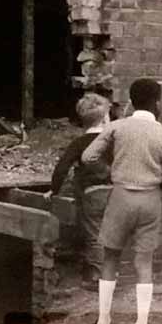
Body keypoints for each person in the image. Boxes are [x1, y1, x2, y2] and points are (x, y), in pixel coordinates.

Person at [82, 78, 162, 324]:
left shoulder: (116, 127)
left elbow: (88, 157)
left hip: (120, 197)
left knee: (111, 258)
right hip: (150, 199)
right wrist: (156, 183)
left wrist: (112, 173)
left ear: (132, 101)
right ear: (158, 103)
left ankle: (103, 323)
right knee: (144, 263)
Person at [46, 93, 113, 289]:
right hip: (117, 191)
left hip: (93, 193)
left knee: (95, 235)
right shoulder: (113, 140)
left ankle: (99, 278)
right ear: (105, 118)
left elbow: (62, 167)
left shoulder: (80, 143)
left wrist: (53, 189)